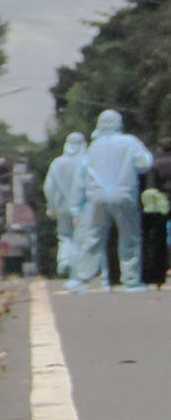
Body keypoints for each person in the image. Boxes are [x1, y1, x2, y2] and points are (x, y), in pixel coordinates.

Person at [74, 109, 154, 292]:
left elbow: (84, 172)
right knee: (129, 237)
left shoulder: (94, 146)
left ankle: (83, 278)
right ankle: (131, 280)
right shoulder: (130, 142)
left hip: (97, 196)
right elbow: (144, 163)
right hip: (123, 194)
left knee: (93, 237)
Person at [44, 132, 87, 278]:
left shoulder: (57, 163)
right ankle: (80, 266)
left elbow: (49, 186)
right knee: (82, 236)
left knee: (64, 236)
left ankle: (64, 260)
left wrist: (51, 205)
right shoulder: (86, 161)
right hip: (83, 206)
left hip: (61, 205)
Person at [144, 144, 171, 288]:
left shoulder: (156, 164)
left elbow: (151, 186)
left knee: (158, 239)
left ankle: (158, 276)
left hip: (162, 203)